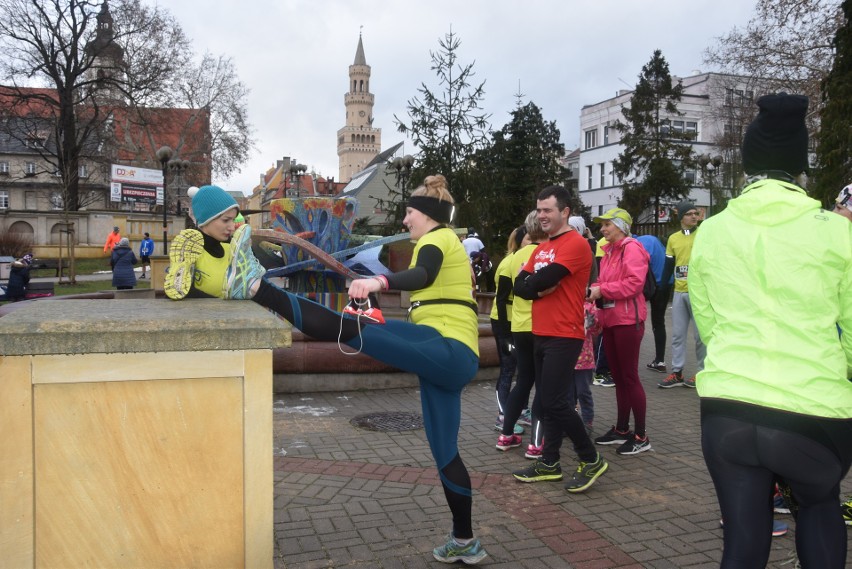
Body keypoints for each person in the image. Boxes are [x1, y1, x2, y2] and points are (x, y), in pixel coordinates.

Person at [167, 179, 489, 565]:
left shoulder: (437, 239)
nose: (405, 220)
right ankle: (465, 540)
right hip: (445, 354)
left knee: (345, 329)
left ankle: (256, 288)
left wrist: (378, 280)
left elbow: (423, 274)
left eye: (410, 213)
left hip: (446, 347)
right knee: (445, 454)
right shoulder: (439, 240)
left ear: (429, 216)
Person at [690, 93, 852, 568]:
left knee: (743, 538)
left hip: (729, 406)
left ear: (749, 164)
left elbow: (710, 323)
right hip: (814, 408)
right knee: (820, 508)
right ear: (800, 166)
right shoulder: (836, 231)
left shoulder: (711, 231)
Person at [510, 186, 608, 493]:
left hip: (565, 334)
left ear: (564, 212)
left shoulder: (576, 244)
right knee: (549, 402)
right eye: (539, 210)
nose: (541, 216)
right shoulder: (541, 248)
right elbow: (520, 285)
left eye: (547, 210)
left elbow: (541, 280)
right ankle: (549, 462)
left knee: (555, 401)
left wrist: (536, 284)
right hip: (540, 332)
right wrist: (537, 285)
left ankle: (590, 459)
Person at [587, 208, 652, 455]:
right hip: (611, 320)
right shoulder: (610, 251)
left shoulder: (631, 248)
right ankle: (623, 429)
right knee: (618, 376)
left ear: (621, 226)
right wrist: (596, 288)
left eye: (607, 225)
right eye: (601, 226)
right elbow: (603, 281)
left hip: (627, 321)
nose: (602, 230)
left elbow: (635, 283)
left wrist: (603, 291)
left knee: (629, 377)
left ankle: (641, 435)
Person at [496, 212, 546, 458]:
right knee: (543, 386)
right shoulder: (549, 253)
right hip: (542, 327)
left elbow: (503, 294)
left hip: (519, 327)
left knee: (523, 381)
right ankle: (536, 444)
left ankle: (506, 435)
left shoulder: (515, 257)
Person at [658, 200, 705, 388]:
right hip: (679, 292)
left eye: (696, 213)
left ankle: (702, 373)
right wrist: (662, 287)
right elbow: (669, 264)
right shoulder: (673, 238)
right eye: (689, 214)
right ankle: (677, 373)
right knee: (678, 334)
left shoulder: (703, 235)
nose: (694, 216)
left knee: (700, 336)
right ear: (681, 217)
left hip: (699, 293)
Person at [491, 225, 529, 435]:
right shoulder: (508, 264)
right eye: (529, 240)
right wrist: (505, 334)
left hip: (519, 322)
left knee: (523, 370)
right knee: (507, 369)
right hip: (504, 322)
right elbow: (501, 299)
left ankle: (521, 410)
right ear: (519, 241)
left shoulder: (526, 260)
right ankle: (502, 415)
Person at [636, 234, 670, 373]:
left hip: (653, 284)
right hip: (666, 283)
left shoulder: (639, 242)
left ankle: (629, 360)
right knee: (658, 322)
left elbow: (641, 262)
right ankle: (660, 360)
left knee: (635, 320)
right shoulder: (651, 239)